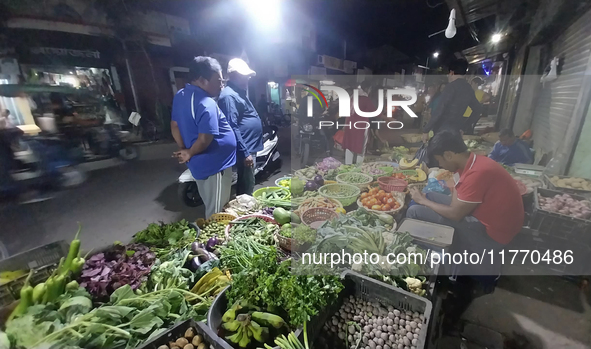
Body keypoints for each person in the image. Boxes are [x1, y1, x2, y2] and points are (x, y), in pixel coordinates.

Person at [408, 130, 524, 253]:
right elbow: (455, 196)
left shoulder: (477, 172)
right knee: (430, 195)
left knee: (414, 211)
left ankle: (437, 254)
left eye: (439, 160)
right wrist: (428, 200)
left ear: (448, 155)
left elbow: (455, 214)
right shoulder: (470, 162)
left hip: (492, 235)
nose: (440, 165)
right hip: (481, 214)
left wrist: (423, 201)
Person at [170, 56, 237, 218]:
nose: (222, 85)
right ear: (201, 80)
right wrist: (189, 152)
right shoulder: (206, 103)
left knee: (210, 201)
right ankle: (215, 242)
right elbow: (204, 139)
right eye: (219, 81)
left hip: (200, 164)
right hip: (216, 166)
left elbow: (174, 125)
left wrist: (184, 149)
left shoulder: (181, 95)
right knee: (217, 212)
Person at [218, 58, 263, 196]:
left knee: (248, 180)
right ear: (234, 75)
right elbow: (232, 125)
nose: (247, 79)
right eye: (244, 76)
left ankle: (246, 206)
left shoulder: (238, 92)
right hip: (245, 147)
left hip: (249, 146)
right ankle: (245, 211)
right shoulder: (229, 96)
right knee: (246, 183)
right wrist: (245, 152)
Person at [422, 59, 482, 142]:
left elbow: (440, 109)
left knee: (438, 153)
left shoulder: (451, 87)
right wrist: (464, 127)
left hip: (441, 130)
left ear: (451, 72)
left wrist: (426, 130)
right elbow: (478, 109)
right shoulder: (468, 88)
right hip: (456, 129)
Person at [342, 79, 376, 165]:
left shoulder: (353, 97)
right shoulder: (365, 98)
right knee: (361, 147)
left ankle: (348, 166)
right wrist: (387, 118)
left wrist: (345, 125)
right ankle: (358, 168)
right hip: (361, 126)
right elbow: (375, 111)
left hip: (350, 125)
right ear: (368, 88)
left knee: (350, 146)